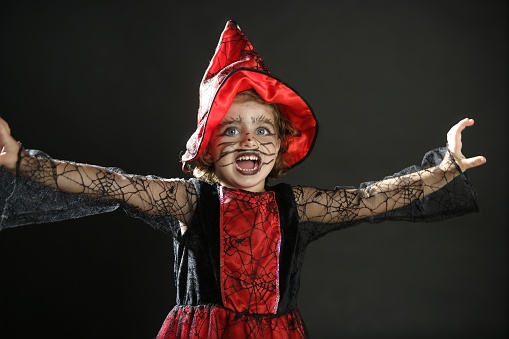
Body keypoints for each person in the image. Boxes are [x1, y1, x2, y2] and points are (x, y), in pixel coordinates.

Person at [0, 20, 486, 338]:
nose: (248, 142)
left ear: (280, 144)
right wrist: (23, 160)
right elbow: (105, 183)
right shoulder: (188, 201)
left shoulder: (297, 205)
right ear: (208, 147)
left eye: (262, 129)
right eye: (230, 130)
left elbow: (368, 199)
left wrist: (443, 169)